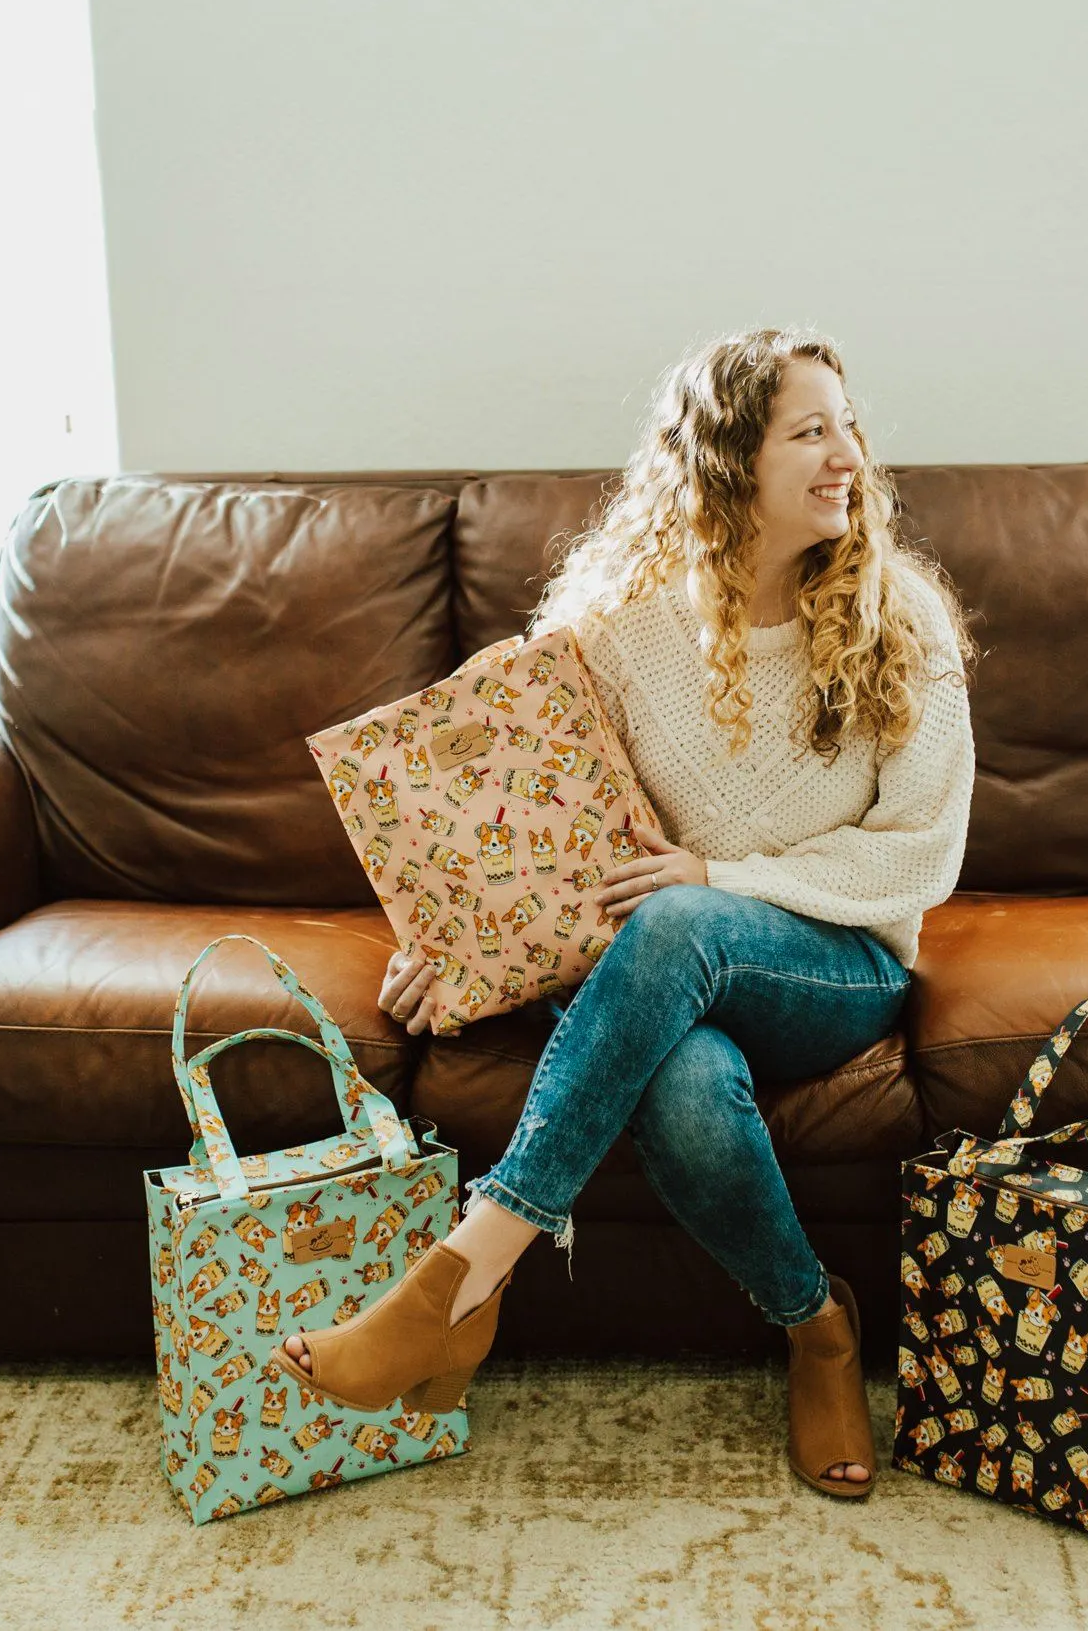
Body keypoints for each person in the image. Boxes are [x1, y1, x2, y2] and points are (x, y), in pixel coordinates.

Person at [271, 326, 978, 1499]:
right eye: (811, 430)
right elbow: (520, 804)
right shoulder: (623, 626)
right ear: (726, 462)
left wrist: (718, 878)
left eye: (848, 424)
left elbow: (921, 852)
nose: (848, 453)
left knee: (676, 922)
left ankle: (459, 1279)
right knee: (684, 1077)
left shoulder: (899, 618)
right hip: (666, 973)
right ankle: (820, 1327)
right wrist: (455, 936)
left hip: (837, 962)